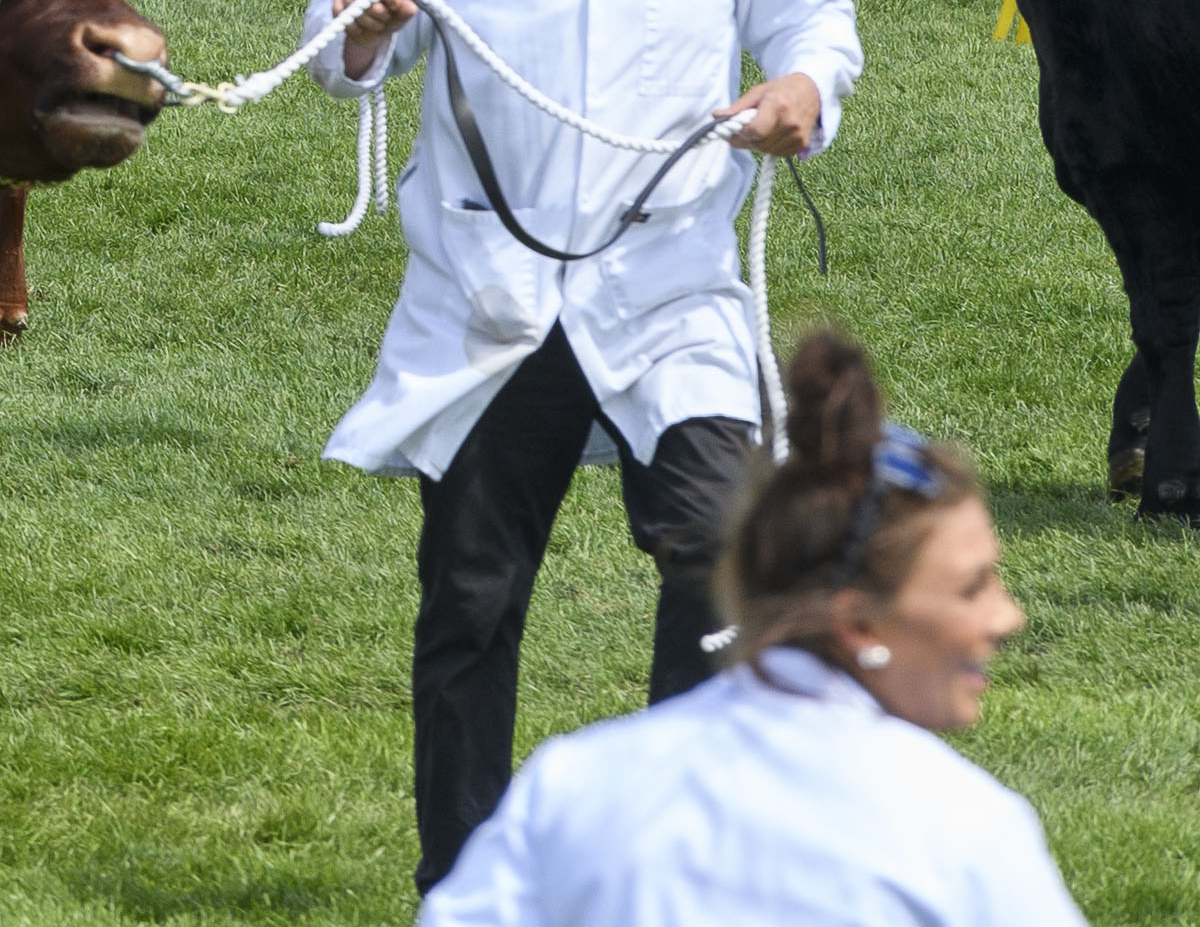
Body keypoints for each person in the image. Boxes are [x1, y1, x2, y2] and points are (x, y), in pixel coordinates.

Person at [318, 0, 862, 893]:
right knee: (468, 601)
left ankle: (668, 866)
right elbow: (344, 22)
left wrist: (802, 88)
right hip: (495, 296)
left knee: (725, 557)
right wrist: (364, 19)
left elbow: (818, 15)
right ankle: (461, 885)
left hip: (665, 289)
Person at [417, 327, 1072, 926]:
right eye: (973, 587)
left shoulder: (572, 785)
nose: (1007, 616)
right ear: (856, 624)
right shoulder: (959, 831)